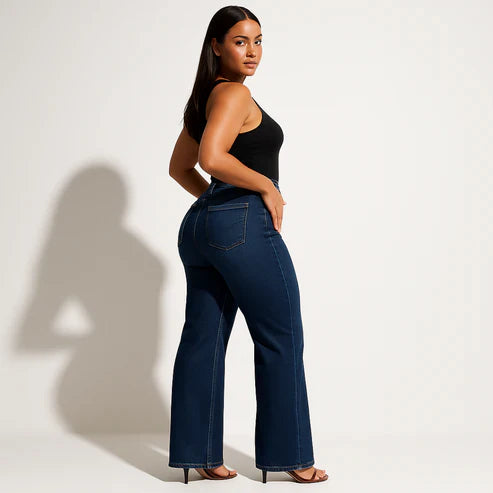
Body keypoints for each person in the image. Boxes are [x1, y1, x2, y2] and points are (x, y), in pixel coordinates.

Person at [168, 6, 328, 484]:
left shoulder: (206, 99)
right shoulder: (234, 94)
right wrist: (264, 188)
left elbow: (180, 168)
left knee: (203, 340)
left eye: (258, 41)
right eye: (240, 41)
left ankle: (198, 455)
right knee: (281, 336)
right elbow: (211, 158)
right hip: (242, 226)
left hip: (202, 228)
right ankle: (292, 457)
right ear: (216, 46)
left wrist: (216, 205)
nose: (252, 51)